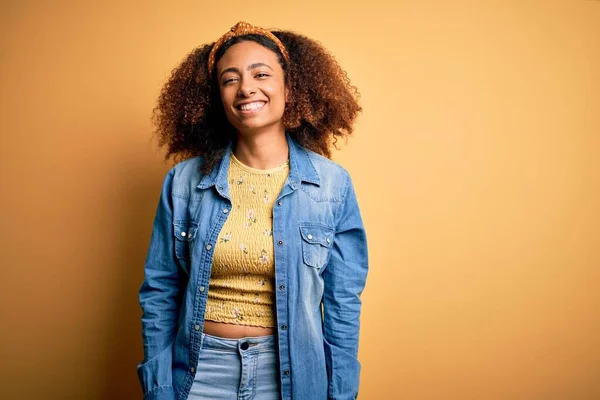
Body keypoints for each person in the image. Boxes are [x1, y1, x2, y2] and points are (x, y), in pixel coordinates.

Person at [137, 21, 368, 400]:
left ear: (289, 87)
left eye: (261, 73)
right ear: (217, 97)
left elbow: (343, 302)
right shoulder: (183, 182)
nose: (246, 88)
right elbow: (160, 291)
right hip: (199, 375)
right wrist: (159, 387)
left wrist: (340, 392)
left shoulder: (332, 185)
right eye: (230, 79)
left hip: (291, 377)